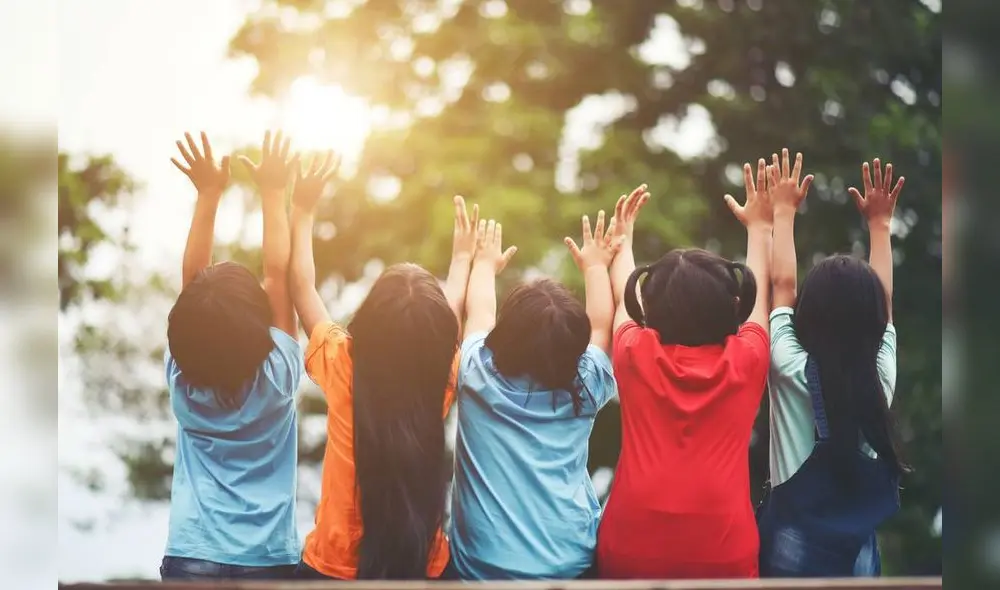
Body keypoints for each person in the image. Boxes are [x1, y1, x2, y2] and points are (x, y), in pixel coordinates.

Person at [288, 153, 477, 580]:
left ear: (369, 320)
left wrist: (302, 210)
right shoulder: (441, 378)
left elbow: (301, 286)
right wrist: (463, 260)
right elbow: (441, 327)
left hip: (331, 571)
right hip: (424, 569)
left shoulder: (343, 365)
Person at [597, 165, 773, 579]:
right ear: (730, 304)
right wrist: (760, 227)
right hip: (723, 557)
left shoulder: (634, 353)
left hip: (629, 550)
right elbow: (760, 296)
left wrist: (623, 242)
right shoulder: (747, 360)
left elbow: (625, 302)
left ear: (652, 312)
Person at [758, 153, 909, 577]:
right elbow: (887, 305)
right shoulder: (880, 376)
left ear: (809, 312)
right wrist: (880, 226)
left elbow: (782, 285)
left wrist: (783, 211)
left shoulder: (787, 365)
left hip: (789, 553)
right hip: (857, 558)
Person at [160, 131, 303, 580]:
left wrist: (208, 194)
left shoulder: (185, 377)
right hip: (268, 561)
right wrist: (274, 191)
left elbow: (192, 286)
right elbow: (278, 275)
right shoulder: (278, 377)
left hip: (191, 555)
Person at [448, 212, 620, 579]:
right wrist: (595, 267)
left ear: (506, 332)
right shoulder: (586, 386)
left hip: (482, 569)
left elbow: (477, 310)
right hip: (569, 564)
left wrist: (482, 263)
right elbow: (603, 325)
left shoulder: (476, 374)